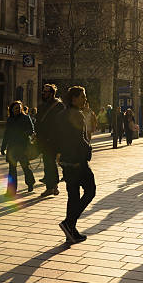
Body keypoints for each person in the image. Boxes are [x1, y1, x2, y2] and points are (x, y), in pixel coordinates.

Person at [58, 86, 95, 244]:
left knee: (73, 195)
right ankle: (69, 222)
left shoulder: (62, 114)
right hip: (77, 161)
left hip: (66, 160)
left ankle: (70, 232)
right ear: (74, 98)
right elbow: (80, 139)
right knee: (90, 190)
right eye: (82, 96)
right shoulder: (77, 115)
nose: (84, 99)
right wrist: (88, 151)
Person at [0, 101, 35, 197]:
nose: (18, 110)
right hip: (12, 147)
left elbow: (31, 130)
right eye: (16, 108)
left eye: (19, 108)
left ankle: (30, 182)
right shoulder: (10, 119)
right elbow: (6, 134)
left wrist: (23, 134)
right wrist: (3, 147)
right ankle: (11, 191)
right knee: (12, 170)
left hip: (23, 146)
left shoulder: (26, 118)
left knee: (25, 167)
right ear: (11, 109)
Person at [36, 84, 65, 198]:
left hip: (54, 139)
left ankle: (53, 186)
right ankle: (51, 186)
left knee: (51, 163)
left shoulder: (59, 106)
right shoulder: (42, 106)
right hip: (43, 139)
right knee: (48, 163)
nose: (44, 93)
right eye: (43, 91)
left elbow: (62, 124)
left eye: (47, 91)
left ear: (52, 93)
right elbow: (38, 122)